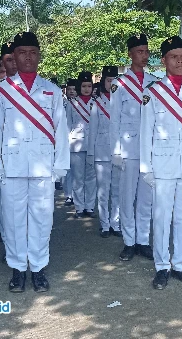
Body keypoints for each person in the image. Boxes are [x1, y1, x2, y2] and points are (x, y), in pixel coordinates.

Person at [0, 31, 69, 293]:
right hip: (12, 166)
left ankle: (38, 267)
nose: (27, 57)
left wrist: (60, 165)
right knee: (13, 219)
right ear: (14, 56)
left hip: (43, 165)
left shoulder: (52, 91)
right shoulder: (2, 91)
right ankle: (17, 268)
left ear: (39, 56)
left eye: (32, 52)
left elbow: (61, 130)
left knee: (42, 218)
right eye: (22, 52)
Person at [140, 36, 182, 290]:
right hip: (163, 165)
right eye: (174, 57)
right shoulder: (153, 93)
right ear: (164, 60)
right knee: (161, 216)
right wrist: (146, 168)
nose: (180, 61)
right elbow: (146, 132)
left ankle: (180, 264)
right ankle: (162, 267)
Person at [109, 34, 157, 262]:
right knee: (127, 197)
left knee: (146, 197)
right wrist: (116, 150)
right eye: (140, 51)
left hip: (149, 150)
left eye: (147, 51)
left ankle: (143, 240)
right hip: (128, 148)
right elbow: (115, 119)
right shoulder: (119, 84)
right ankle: (129, 241)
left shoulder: (154, 82)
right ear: (130, 54)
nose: (144, 56)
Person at [87, 66, 122, 238]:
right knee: (103, 191)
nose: (111, 83)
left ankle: (116, 223)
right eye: (108, 80)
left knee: (117, 190)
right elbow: (92, 130)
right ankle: (104, 224)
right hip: (101, 151)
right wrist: (90, 154)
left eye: (114, 80)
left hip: (118, 152)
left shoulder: (122, 101)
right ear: (103, 82)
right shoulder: (96, 103)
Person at [0, 43, 17, 244]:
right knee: (3, 199)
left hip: (27, 155)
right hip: (3, 154)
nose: (13, 63)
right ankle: (6, 235)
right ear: (2, 62)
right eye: (8, 60)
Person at [66, 72, 97, 218]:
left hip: (93, 144)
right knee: (78, 178)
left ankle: (89, 207)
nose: (86, 89)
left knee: (91, 178)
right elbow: (67, 125)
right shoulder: (72, 104)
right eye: (84, 86)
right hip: (76, 144)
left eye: (89, 86)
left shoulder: (97, 103)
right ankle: (79, 207)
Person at [62, 80, 77, 206]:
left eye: (73, 89)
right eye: (69, 89)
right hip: (64, 139)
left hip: (76, 141)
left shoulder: (80, 105)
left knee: (77, 171)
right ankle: (68, 195)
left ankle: (77, 195)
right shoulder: (62, 103)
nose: (71, 91)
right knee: (68, 170)